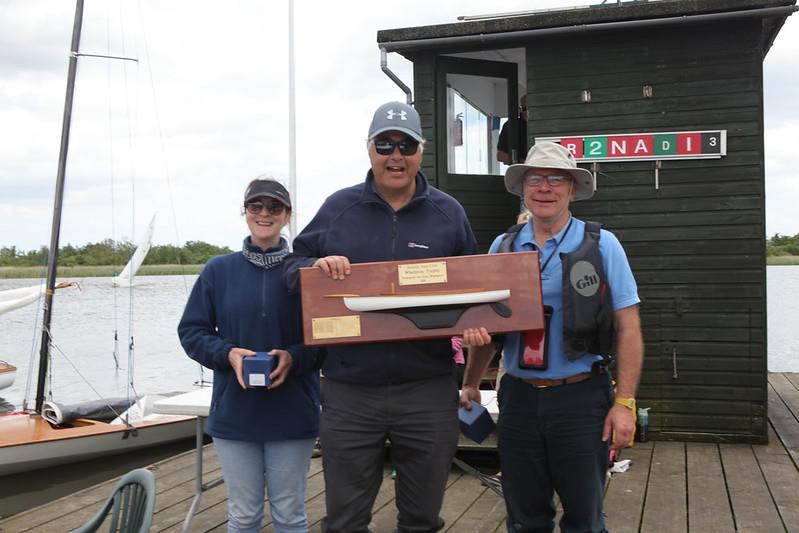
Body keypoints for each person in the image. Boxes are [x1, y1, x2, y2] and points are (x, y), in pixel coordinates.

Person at [283, 101, 478, 533]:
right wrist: (315, 270)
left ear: (421, 151)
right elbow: (289, 270)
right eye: (385, 144)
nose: (396, 155)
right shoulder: (338, 208)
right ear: (369, 149)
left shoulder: (449, 213)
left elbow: (473, 289)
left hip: (427, 390)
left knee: (422, 519)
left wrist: (476, 332)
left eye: (406, 145)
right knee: (346, 521)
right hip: (350, 394)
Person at [460, 142, 643, 533]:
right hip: (519, 400)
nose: (545, 187)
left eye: (556, 179)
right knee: (525, 518)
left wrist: (625, 404)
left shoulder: (602, 244)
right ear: (523, 188)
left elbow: (629, 328)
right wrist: (472, 383)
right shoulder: (502, 246)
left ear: (572, 189)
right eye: (535, 179)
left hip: (581, 399)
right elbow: (489, 333)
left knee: (585, 518)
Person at [178, 178, 321, 533]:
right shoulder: (217, 270)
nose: (264, 214)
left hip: (293, 413)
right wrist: (227, 354)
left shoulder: (307, 271)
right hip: (234, 415)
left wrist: (294, 357)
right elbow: (191, 332)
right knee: (243, 515)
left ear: (287, 215)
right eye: (256, 206)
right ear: (245, 213)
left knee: (290, 513)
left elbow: (327, 337)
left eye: (274, 207)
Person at [496, 95, 528, 165]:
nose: (528, 112)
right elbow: (500, 155)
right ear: (520, 109)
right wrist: (524, 163)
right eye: (525, 108)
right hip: (520, 171)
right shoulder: (511, 125)